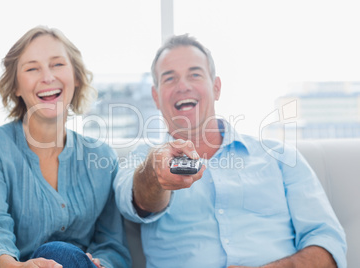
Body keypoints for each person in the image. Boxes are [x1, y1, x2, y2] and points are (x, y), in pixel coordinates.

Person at [114, 34, 347, 267]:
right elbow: (137, 201)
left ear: (216, 88)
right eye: (169, 78)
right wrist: (155, 173)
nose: (183, 86)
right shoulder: (141, 159)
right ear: (156, 97)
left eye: (194, 74)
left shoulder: (281, 157)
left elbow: (328, 243)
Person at [0, 26, 130, 268]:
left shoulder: (101, 157)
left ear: (76, 76)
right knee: (57, 252)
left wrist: (101, 263)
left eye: (57, 64)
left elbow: (112, 246)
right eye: (32, 68)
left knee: (62, 255)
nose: (47, 77)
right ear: (16, 86)